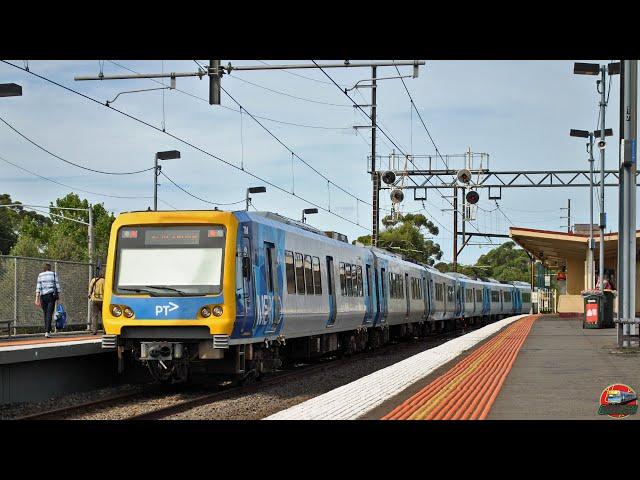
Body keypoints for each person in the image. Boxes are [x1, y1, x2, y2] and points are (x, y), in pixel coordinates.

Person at [35, 263, 61, 338]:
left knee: (45, 313)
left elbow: (38, 287)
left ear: (44, 268)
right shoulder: (53, 274)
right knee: (49, 313)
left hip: (43, 296)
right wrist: (59, 295)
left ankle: (47, 329)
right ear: (50, 268)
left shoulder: (40, 275)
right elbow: (57, 285)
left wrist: (37, 298)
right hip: (51, 295)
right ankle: (47, 331)